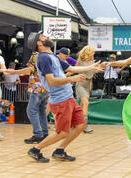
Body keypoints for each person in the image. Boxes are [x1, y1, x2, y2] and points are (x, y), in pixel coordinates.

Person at [27, 32, 103, 162]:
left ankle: (59, 150)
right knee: (63, 132)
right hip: (60, 99)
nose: (47, 37)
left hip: (68, 97)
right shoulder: (43, 58)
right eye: (43, 37)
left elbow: (71, 68)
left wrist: (92, 66)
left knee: (80, 125)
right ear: (39, 43)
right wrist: (71, 79)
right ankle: (35, 150)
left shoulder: (53, 56)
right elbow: (51, 81)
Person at [8, 52, 49, 144]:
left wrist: (15, 71)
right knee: (42, 110)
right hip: (46, 87)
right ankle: (45, 133)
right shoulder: (50, 55)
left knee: (31, 110)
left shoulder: (36, 55)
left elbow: (29, 69)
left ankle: (38, 134)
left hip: (36, 86)